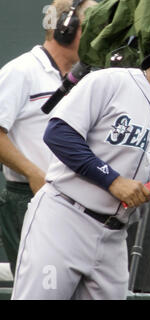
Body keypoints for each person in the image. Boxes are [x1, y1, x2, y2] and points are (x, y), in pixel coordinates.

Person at [12, 25, 150, 300]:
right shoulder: (111, 81)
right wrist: (113, 180)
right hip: (64, 218)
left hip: (114, 238)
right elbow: (58, 134)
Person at [0, 0, 97, 276]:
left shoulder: (88, 79)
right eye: (91, 25)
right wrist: (33, 173)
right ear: (67, 28)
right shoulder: (21, 71)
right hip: (29, 199)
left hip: (74, 202)